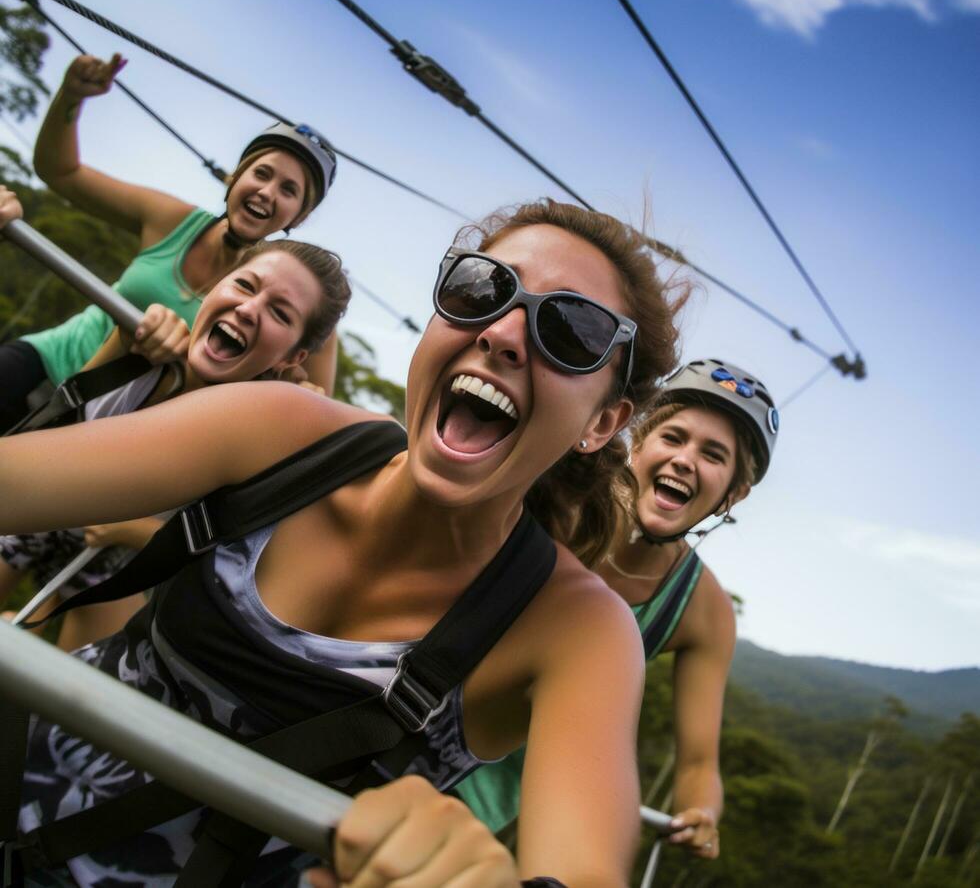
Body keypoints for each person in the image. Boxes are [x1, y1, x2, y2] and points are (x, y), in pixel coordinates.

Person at [0, 199, 686, 887]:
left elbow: (585, 870)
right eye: (481, 289)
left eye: (571, 332)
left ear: (603, 421)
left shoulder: (572, 628)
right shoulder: (286, 433)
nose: (503, 333)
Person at [456, 357, 779, 864]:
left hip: (476, 806)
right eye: (673, 438)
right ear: (639, 442)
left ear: (733, 494)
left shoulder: (700, 610)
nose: (685, 460)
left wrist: (701, 812)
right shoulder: (557, 499)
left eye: (713, 455)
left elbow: (697, 762)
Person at [0, 185, 350, 649]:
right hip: (41, 516)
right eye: (245, 285)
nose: (248, 309)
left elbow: (219, 557)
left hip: (114, 562)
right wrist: (129, 340)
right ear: (217, 286)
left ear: (293, 355)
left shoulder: (258, 440)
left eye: (280, 314)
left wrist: (132, 529)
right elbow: (58, 429)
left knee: (62, 697)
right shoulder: (143, 351)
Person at [0, 52, 339, 432]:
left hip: (110, 421)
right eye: (261, 174)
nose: (267, 192)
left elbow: (311, 409)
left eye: (289, 190)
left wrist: (299, 390)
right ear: (234, 178)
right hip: (48, 359)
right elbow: (60, 172)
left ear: (299, 217)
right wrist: (71, 97)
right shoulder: (174, 221)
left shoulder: (299, 306)